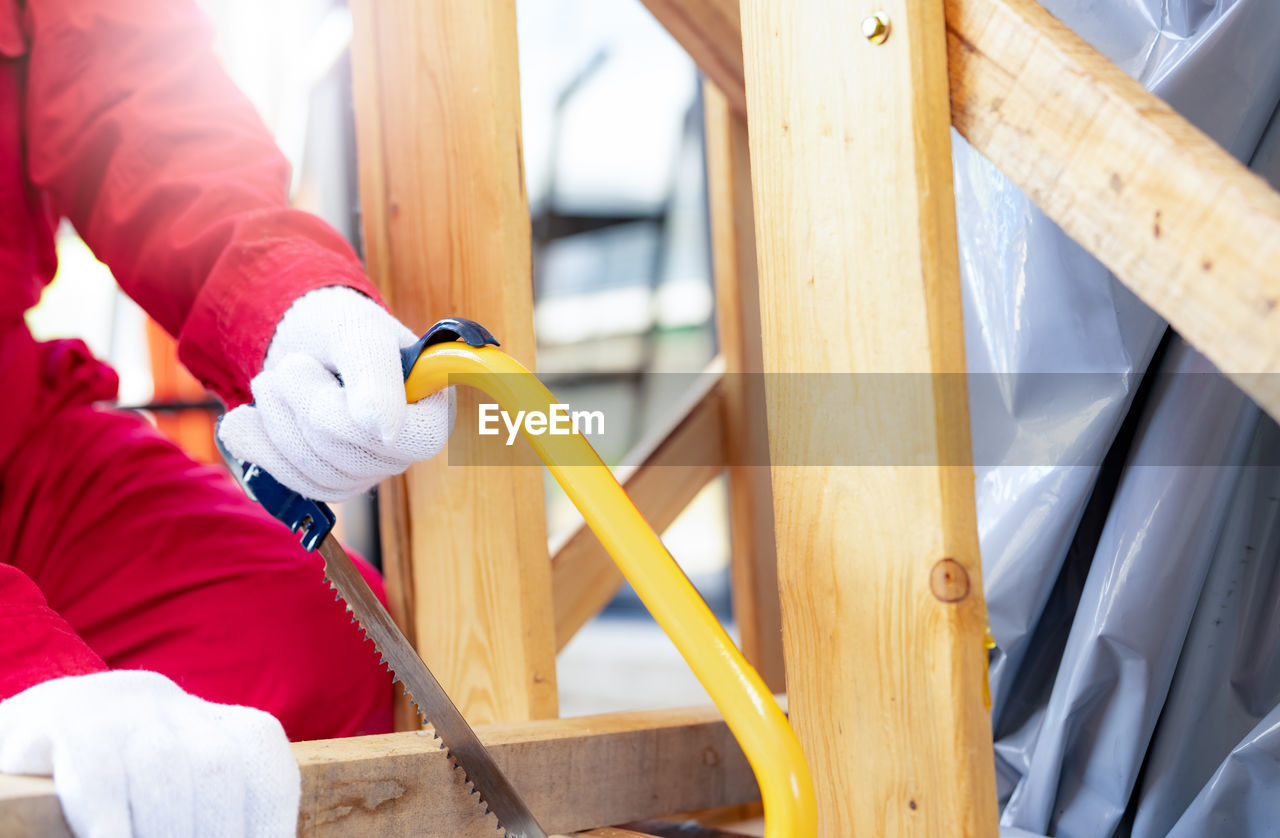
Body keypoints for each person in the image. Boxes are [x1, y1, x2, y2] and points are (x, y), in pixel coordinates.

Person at [0, 1, 452, 835]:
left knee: (321, 644)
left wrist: (282, 301)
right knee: (78, 777)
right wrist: (28, 674)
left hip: (16, 423)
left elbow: (133, 90)